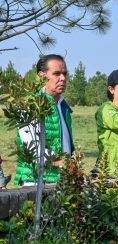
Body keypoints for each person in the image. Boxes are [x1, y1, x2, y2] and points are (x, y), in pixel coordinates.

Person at [14, 54, 74, 186]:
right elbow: (31, 148)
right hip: (36, 181)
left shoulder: (64, 107)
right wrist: (59, 161)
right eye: (57, 73)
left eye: (65, 74)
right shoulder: (30, 105)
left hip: (62, 180)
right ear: (42, 75)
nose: (63, 78)